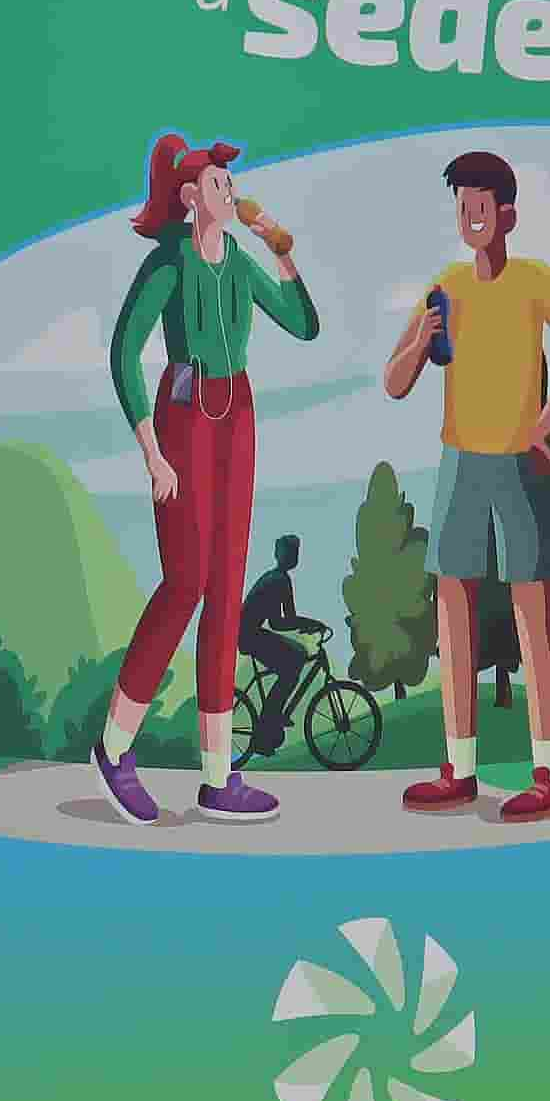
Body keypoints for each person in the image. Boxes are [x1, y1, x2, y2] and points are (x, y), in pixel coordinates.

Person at [93, 131, 320, 826]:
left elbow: (305, 325)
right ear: (193, 197)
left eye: (230, 182)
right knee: (185, 581)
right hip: (186, 414)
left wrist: (283, 252)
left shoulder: (245, 262)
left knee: (226, 591)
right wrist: (152, 452)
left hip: (237, 415)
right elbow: (124, 352)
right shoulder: (169, 263)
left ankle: (219, 777)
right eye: (219, 182)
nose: (231, 189)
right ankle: (114, 746)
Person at [380, 149, 550, 825]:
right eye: (462, 205)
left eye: (481, 205)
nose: (471, 215)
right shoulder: (444, 287)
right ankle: (459, 768)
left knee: (531, 612)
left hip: (518, 464)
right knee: (454, 613)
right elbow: (394, 383)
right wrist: (422, 338)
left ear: (505, 213)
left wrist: (546, 421)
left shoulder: (537, 282)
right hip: (460, 463)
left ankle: (549, 774)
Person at [238, 533, 326, 741]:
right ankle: (268, 722)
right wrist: (310, 624)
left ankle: (272, 719)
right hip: (249, 634)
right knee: (293, 664)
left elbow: (287, 619)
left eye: (296, 552)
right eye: (291, 552)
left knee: (297, 656)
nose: (294, 556)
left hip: (250, 632)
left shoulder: (279, 578)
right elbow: (278, 623)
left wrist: (306, 624)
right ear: (280, 554)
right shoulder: (278, 580)